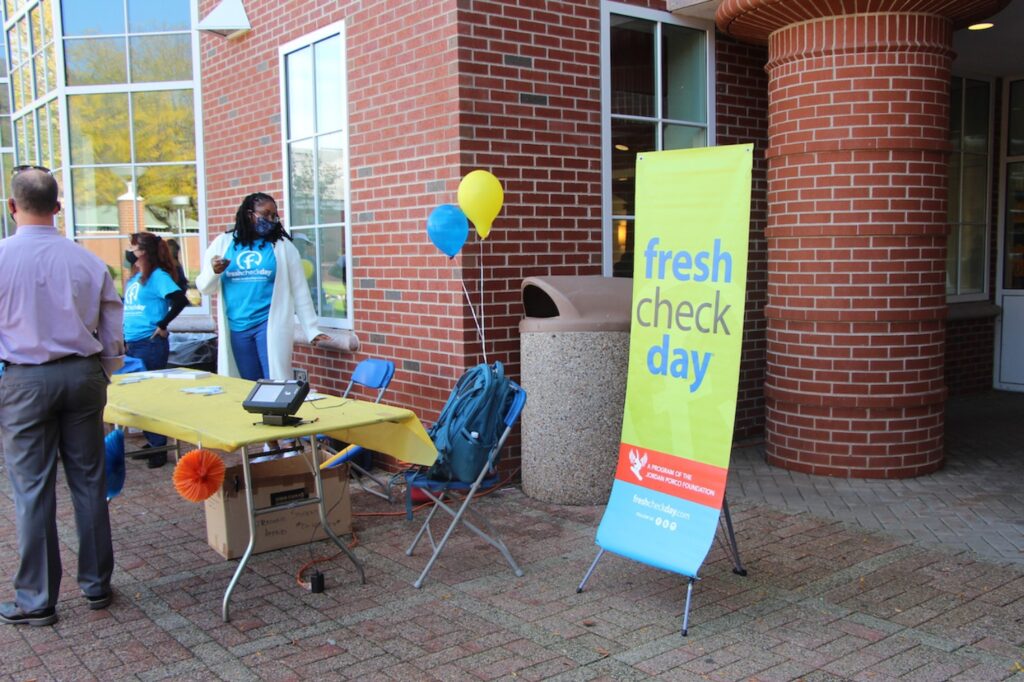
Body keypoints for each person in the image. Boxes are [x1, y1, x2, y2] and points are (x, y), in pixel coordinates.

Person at [0, 165, 124, 626]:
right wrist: (104, 373)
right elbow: (113, 329)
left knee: (32, 489)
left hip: (24, 379)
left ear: (12, 207)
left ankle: (37, 600)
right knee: (88, 481)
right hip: (82, 374)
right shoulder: (87, 260)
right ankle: (96, 585)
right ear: (58, 207)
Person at [196, 192, 328, 382]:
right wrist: (213, 271)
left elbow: (300, 290)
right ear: (249, 214)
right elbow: (204, 287)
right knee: (247, 383)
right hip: (237, 326)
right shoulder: (223, 243)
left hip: (268, 324)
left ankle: (278, 412)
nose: (270, 220)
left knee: (275, 380)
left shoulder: (282, 247)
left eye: (274, 216)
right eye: (265, 214)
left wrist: (311, 329)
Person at [123, 231, 190, 468]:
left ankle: (159, 447)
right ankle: (152, 441)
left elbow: (180, 299)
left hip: (149, 344)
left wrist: (162, 324)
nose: (128, 252)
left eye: (132, 248)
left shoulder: (158, 276)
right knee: (140, 397)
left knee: (151, 396)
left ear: (143, 252)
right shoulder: (136, 277)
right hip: (133, 343)